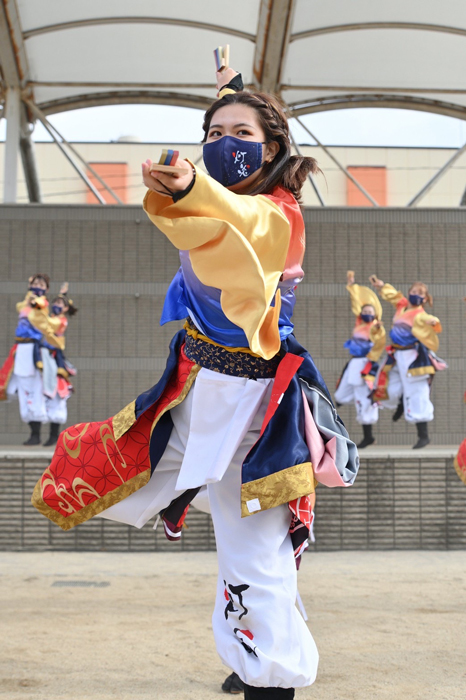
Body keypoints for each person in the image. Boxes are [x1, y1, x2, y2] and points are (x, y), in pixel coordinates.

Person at [32, 67, 359, 700]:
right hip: (195, 389)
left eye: (241, 132)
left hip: (254, 409)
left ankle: (272, 681)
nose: (223, 141)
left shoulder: (278, 213)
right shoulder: (222, 198)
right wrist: (234, 91)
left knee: (252, 550)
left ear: (272, 149)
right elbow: (205, 220)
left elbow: (237, 225)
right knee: (116, 469)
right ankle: (254, 653)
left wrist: (192, 185)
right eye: (213, 131)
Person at [370, 276, 446, 449]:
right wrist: (381, 286)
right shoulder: (402, 305)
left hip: (413, 355)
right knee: (388, 385)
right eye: (413, 291)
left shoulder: (421, 315)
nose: (415, 294)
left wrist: (433, 322)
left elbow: (429, 320)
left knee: (418, 392)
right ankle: (402, 403)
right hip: (396, 355)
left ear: (425, 298)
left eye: (420, 293)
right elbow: (394, 296)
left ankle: (423, 435)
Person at [1, 274, 65, 445]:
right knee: (22, 388)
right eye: (35, 283)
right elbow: (20, 306)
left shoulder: (42, 303)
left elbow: (39, 306)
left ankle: (44, 433)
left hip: (34, 350)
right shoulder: (25, 303)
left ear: (46, 289)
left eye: (41, 284)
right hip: (20, 349)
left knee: (37, 388)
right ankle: (34, 433)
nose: (38, 286)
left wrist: (36, 299)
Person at [334, 271, 386, 448]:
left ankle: (368, 435)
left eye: (370, 311)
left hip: (366, 363)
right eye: (365, 310)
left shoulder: (374, 326)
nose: (366, 312)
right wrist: (351, 286)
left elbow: (379, 339)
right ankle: (337, 409)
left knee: (364, 398)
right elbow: (356, 303)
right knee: (341, 394)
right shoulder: (360, 323)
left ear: (375, 314)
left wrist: (378, 328)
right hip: (354, 362)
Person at [42, 284, 78, 446]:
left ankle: (53, 436)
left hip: (53, 357)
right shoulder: (52, 318)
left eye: (60, 304)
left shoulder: (60, 321)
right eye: (54, 302)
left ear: (65, 309)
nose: (56, 305)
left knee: (57, 394)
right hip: (45, 357)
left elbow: (47, 321)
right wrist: (61, 294)